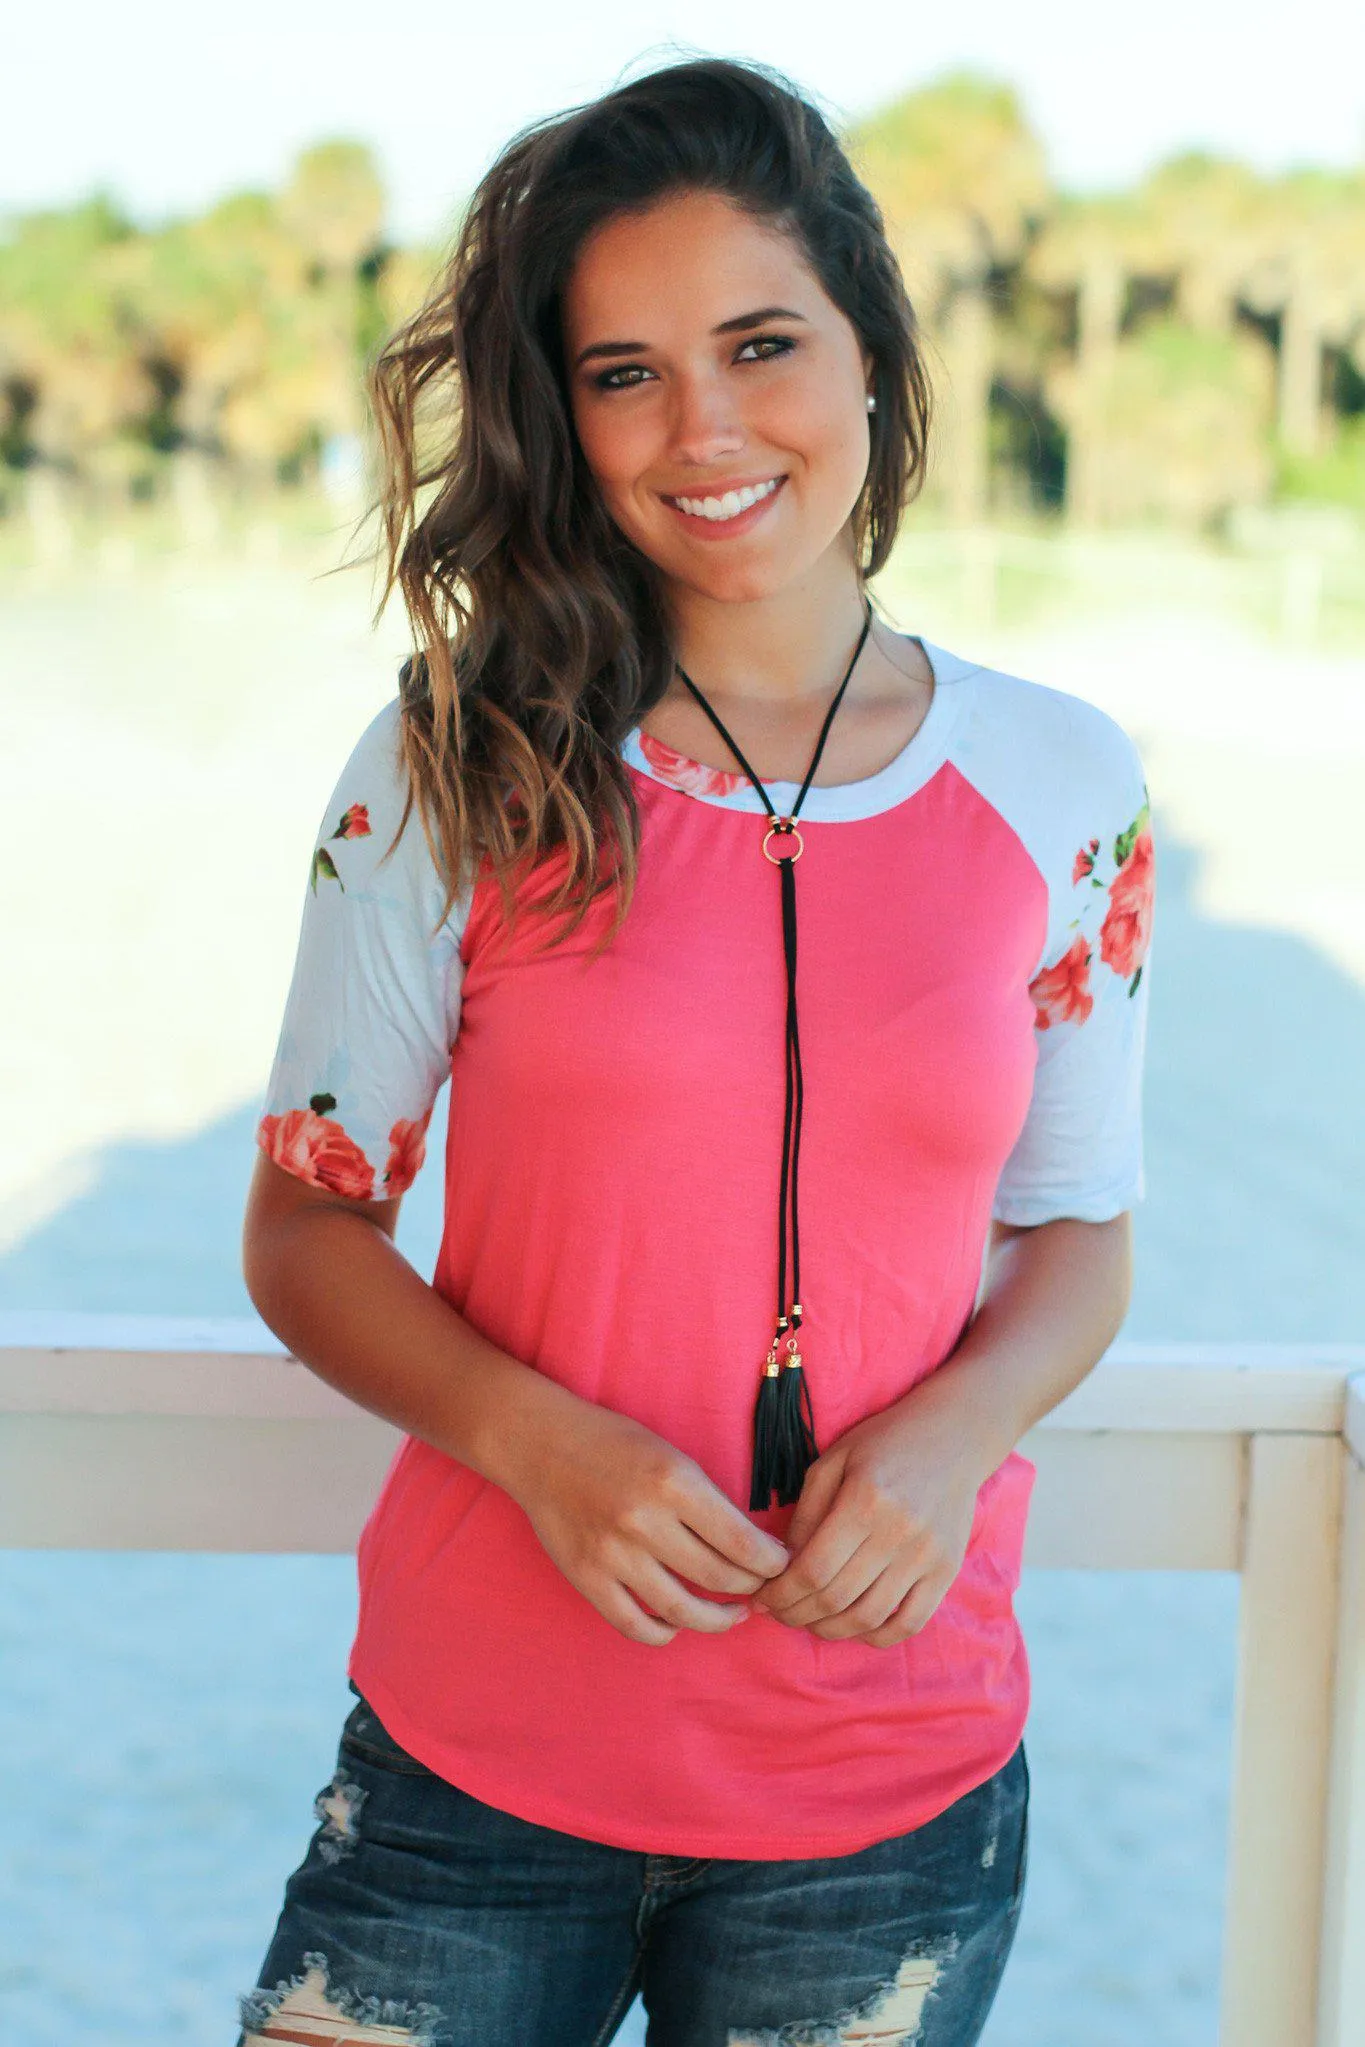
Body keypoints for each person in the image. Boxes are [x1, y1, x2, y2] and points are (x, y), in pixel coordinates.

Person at [237, 53, 1155, 2047]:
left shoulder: (1064, 787)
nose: (705, 428)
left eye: (760, 345)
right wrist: (534, 1446)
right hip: (468, 1780)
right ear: (558, 417)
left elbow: (1078, 1230)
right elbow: (304, 1235)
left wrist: (954, 1434)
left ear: (868, 351)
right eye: (623, 371)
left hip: (884, 1801)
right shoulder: (448, 760)